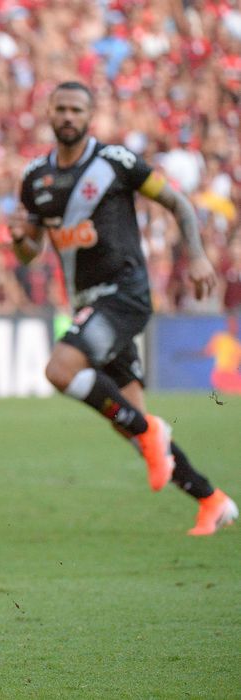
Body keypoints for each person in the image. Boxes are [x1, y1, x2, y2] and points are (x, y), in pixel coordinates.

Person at [14, 81, 237, 536]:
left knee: (60, 370)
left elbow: (177, 203)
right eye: (61, 108)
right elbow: (31, 251)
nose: (68, 116)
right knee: (133, 428)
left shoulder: (116, 162)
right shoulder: (35, 178)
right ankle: (211, 500)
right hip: (87, 303)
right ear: (49, 113)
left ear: (89, 116)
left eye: (77, 109)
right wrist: (21, 240)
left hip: (125, 294)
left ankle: (150, 432)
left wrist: (196, 256)